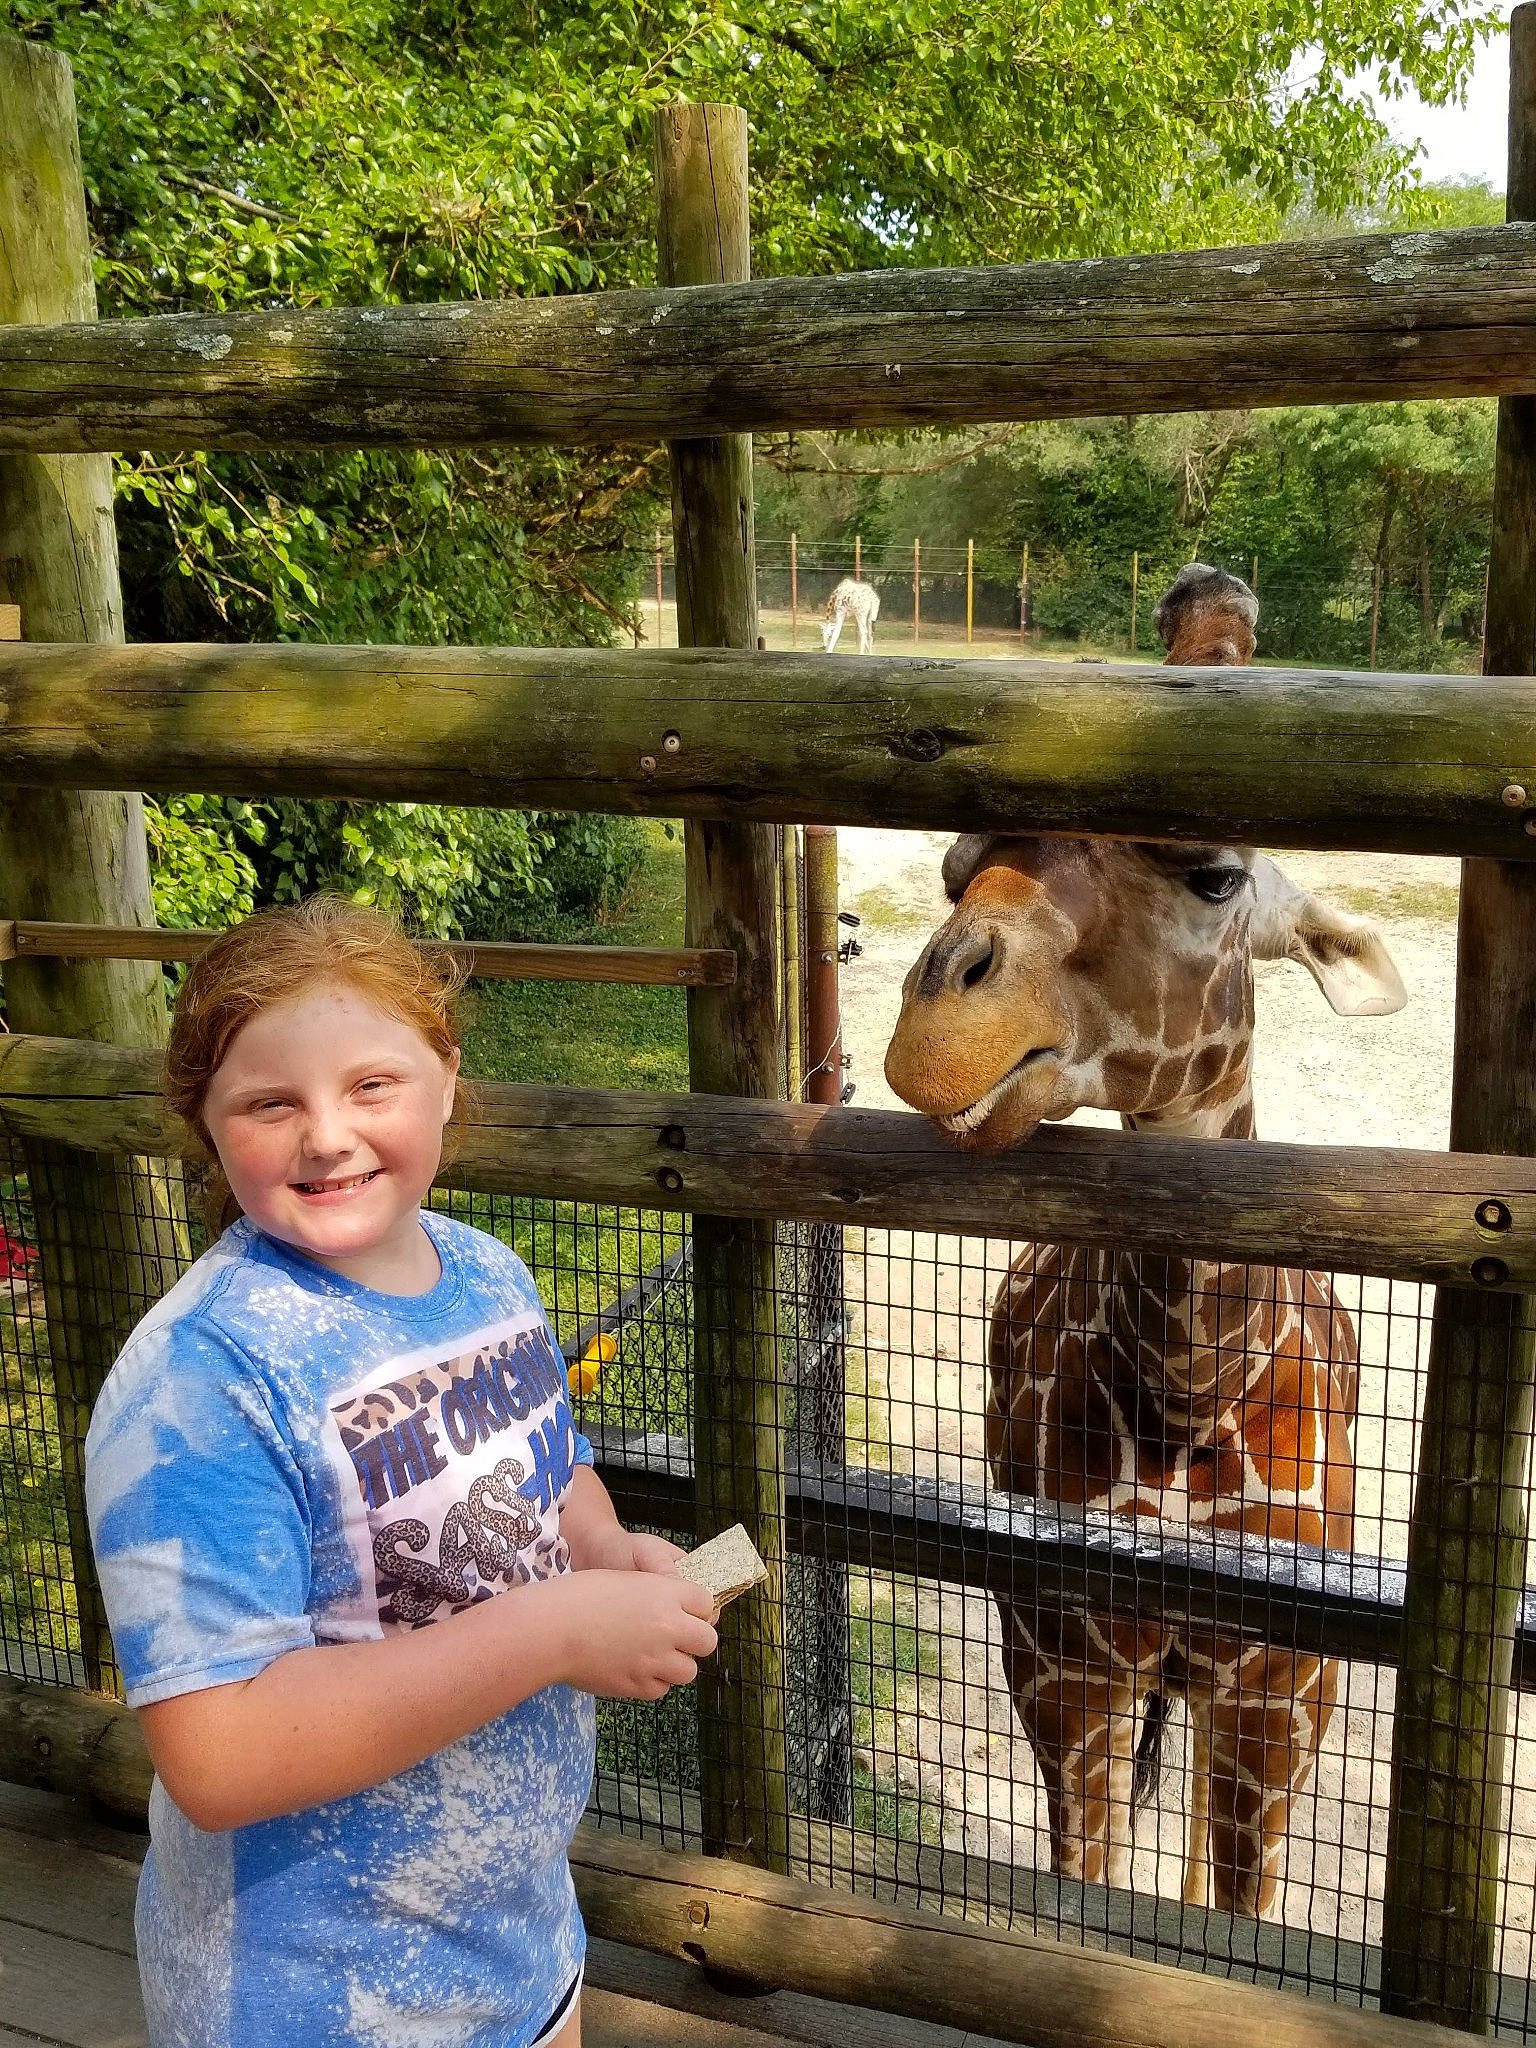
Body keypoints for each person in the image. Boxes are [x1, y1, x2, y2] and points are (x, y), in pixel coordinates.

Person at [84, 897, 718, 2048]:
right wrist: (557, 1628)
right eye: (271, 1102)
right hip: (313, 1997)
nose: (328, 1134)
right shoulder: (198, 1378)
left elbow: (553, 1463)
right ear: (206, 1122)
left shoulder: (488, 1274)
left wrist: (607, 1550)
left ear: (447, 1077)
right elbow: (217, 1752)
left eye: (372, 1083)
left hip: (521, 1943)